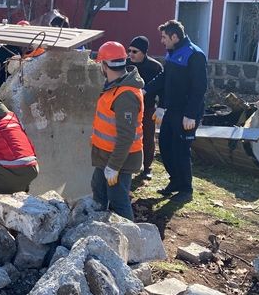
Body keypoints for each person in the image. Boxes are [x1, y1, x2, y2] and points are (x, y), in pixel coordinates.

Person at [144, 20, 207, 203]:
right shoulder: (173, 52)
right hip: (172, 110)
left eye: (164, 37)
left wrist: (191, 115)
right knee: (165, 145)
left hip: (186, 112)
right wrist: (146, 89)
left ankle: (186, 189)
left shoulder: (195, 55)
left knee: (181, 150)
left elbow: (199, 88)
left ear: (174, 36)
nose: (162, 41)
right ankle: (175, 181)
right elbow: (164, 77)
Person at [89, 41, 145, 220]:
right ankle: (98, 226)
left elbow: (126, 136)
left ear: (105, 65)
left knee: (118, 200)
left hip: (120, 159)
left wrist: (114, 167)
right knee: (98, 189)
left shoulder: (125, 95)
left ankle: (130, 238)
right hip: (105, 155)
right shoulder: (114, 87)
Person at [126, 36, 163, 180]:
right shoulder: (126, 64)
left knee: (148, 137)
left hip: (147, 107)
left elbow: (162, 89)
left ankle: (147, 167)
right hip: (129, 107)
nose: (131, 54)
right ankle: (127, 166)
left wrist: (161, 107)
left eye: (135, 51)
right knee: (127, 136)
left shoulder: (155, 67)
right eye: (129, 51)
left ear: (144, 52)